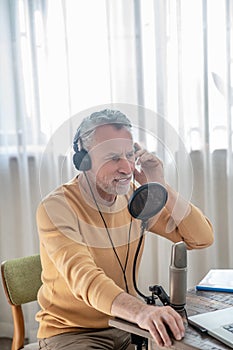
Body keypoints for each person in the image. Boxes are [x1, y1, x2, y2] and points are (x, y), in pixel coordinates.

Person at [36, 109, 214, 349]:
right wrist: (142, 312)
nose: (127, 168)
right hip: (72, 333)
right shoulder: (56, 208)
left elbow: (202, 238)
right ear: (84, 161)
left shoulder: (134, 199)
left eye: (129, 155)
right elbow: (84, 277)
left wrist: (160, 185)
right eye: (112, 158)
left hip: (126, 325)